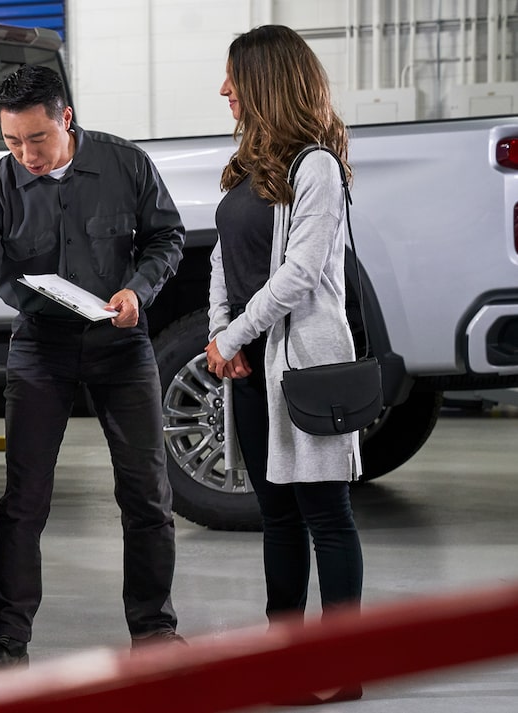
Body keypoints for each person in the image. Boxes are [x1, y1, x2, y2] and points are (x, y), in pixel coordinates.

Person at [0, 64, 186, 673]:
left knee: (147, 494)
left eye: (36, 139)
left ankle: (154, 634)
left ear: (65, 118)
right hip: (40, 344)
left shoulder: (126, 166)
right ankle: (6, 644)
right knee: (24, 500)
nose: (25, 155)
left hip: (120, 344)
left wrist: (137, 291)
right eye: (12, 142)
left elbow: (166, 238)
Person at [205, 25, 364, 703]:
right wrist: (222, 334)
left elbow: (300, 273)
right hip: (250, 365)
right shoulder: (246, 168)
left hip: (301, 367)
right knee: (277, 518)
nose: (224, 90)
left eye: (233, 78)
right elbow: (221, 259)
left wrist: (237, 334)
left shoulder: (316, 168)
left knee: (325, 514)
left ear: (264, 82)